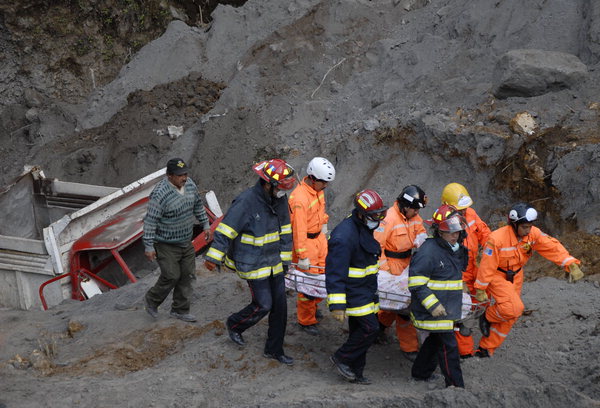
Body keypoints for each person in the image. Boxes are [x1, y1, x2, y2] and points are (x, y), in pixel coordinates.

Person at [203, 159, 297, 365]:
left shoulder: (279, 199)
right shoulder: (246, 202)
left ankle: (274, 350)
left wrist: (285, 261)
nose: (283, 193)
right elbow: (226, 231)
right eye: (280, 188)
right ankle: (235, 324)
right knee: (264, 304)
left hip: (275, 262)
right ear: (267, 184)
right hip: (253, 262)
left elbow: (286, 231)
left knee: (280, 308)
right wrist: (213, 257)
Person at [474, 202, 584, 357]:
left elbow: (551, 247)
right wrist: (480, 288)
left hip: (516, 275)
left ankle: (486, 349)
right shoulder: (497, 239)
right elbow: (487, 265)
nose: (528, 230)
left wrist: (570, 263)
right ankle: (487, 316)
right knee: (513, 308)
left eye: (530, 226)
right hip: (497, 276)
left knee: (511, 316)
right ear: (514, 224)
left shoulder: (533, 233)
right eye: (524, 227)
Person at [327, 189, 388, 385]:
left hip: (365, 291)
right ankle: (342, 357)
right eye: (374, 216)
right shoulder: (344, 237)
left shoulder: (362, 226)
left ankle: (356, 372)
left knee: (358, 332)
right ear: (361, 214)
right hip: (354, 293)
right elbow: (335, 272)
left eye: (380, 215)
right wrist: (337, 304)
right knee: (371, 329)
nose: (377, 220)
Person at [143, 158, 212, 323]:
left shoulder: (190, 186)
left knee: (187, 275)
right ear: (170, 176)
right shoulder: (160, 194)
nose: (184, 178)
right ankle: (152, 300)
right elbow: (150, 221)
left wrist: (206, 225)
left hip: (185, 241)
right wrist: (149, 246)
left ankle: (180, 310)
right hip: (165, 243)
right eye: (180, 175)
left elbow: (197, 205)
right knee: (171, 275)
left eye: (186, 174)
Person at [409, 204, 467, 388]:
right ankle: (456, 386)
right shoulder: (428, 252)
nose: (455, 235)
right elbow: (416, 284)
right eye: (450, 231)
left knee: (434, 341)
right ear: (439, 231)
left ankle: (420, 372)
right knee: (448, 347)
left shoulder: (452, 248)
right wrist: (433, 305)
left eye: (457, 231)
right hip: (433, 310)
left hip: (445, 308)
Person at [374, 185, 428, 362]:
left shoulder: (413, 215)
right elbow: (377, 247)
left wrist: (422, 238)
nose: (417, 212)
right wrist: (385, 271)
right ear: (406, 205)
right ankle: (409, 347)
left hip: (407, 265)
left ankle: (379, 328)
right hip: (391, 265)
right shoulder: (388, 218)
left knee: (397, 305)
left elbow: (420, 230)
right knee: (404, 309)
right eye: (415, 209)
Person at [440, 182, 491, 358]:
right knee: (462, 311)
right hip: (456, 272)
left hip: (472, 267)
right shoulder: (443, 222)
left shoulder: (470, 213)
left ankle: (486, 318)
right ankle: (463, 350)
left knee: (491, 294)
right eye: (459, 209)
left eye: (464, 208)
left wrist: (491, 249)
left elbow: (484, 233)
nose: (463, 212)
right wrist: (457, 280)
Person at [288, 157, 336, 336]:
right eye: (324, 183)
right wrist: (302, 256)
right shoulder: (299, 198)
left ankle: (314, 307)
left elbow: (320, 211)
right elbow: (298, 230)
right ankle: (306, 320)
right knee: (307, 285)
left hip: (319, 241)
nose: (325, 186)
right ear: (313, 178)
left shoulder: (317, 190)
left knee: (322, 278)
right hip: (306, 244)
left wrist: (324, 224)